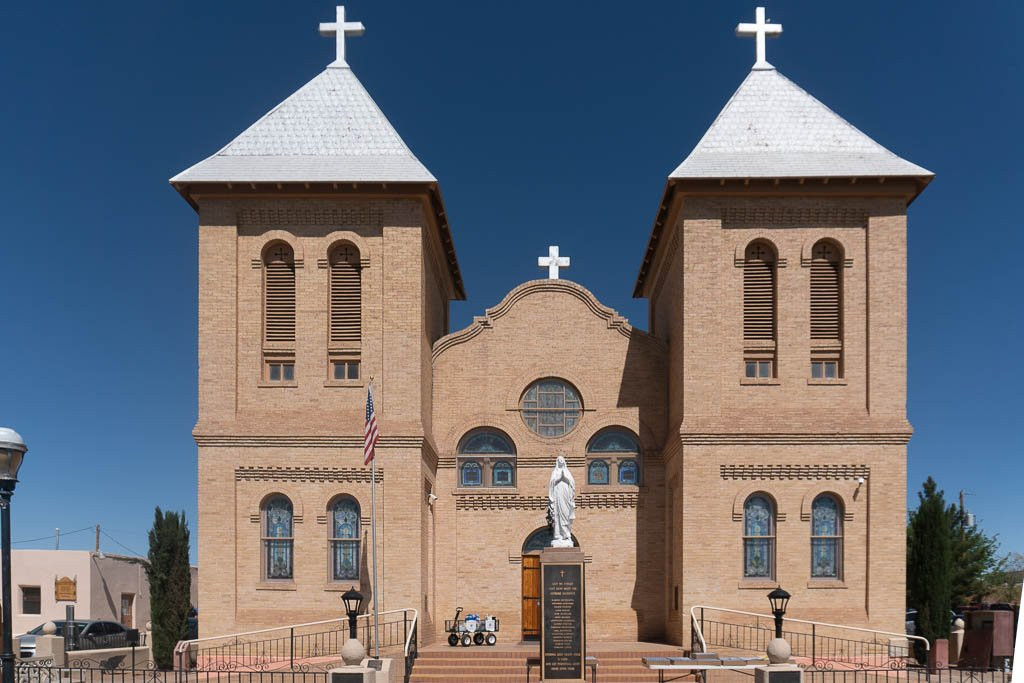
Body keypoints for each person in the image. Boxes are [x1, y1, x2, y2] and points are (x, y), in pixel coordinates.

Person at [548, 456, 576, 546]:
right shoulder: (555, 472)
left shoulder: (567, 472)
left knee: (566, 515)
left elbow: (572, 484)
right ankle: (558, 536)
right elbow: (551, 483)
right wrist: (559, 477)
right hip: (558, 496)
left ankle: (566, 536)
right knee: (558, 516)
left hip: (566, 496)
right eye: (559, 461)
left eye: (562, 461)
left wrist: (565, 478)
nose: (560, 462)